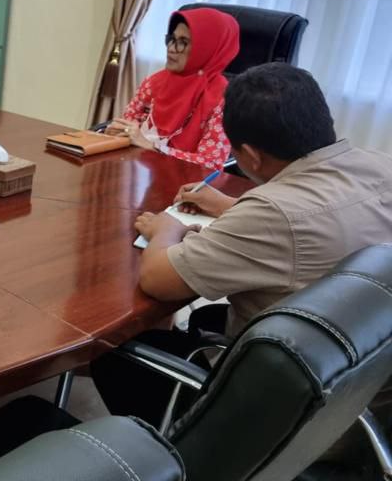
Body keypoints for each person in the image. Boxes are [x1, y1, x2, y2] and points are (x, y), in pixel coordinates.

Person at [92, 62, 392, 428]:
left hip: (280, 411)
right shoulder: (381, 166)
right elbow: (318, 219)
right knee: (205, 319)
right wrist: (229, 207)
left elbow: (157, 279)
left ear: (249, 156)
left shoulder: (272, 213)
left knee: (112, 354)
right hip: (362, 378)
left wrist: (165, 229)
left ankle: (174, 444)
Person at [106, 8, 240, 170]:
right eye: (172, 39)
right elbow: (129, 127)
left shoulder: (224, 99)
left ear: (206, 48)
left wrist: (153, 147)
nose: (171, 48)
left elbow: (210, 163)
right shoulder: (155, 82)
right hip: (136, 169)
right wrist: (118, 132)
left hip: (184, 181)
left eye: (183, 42)